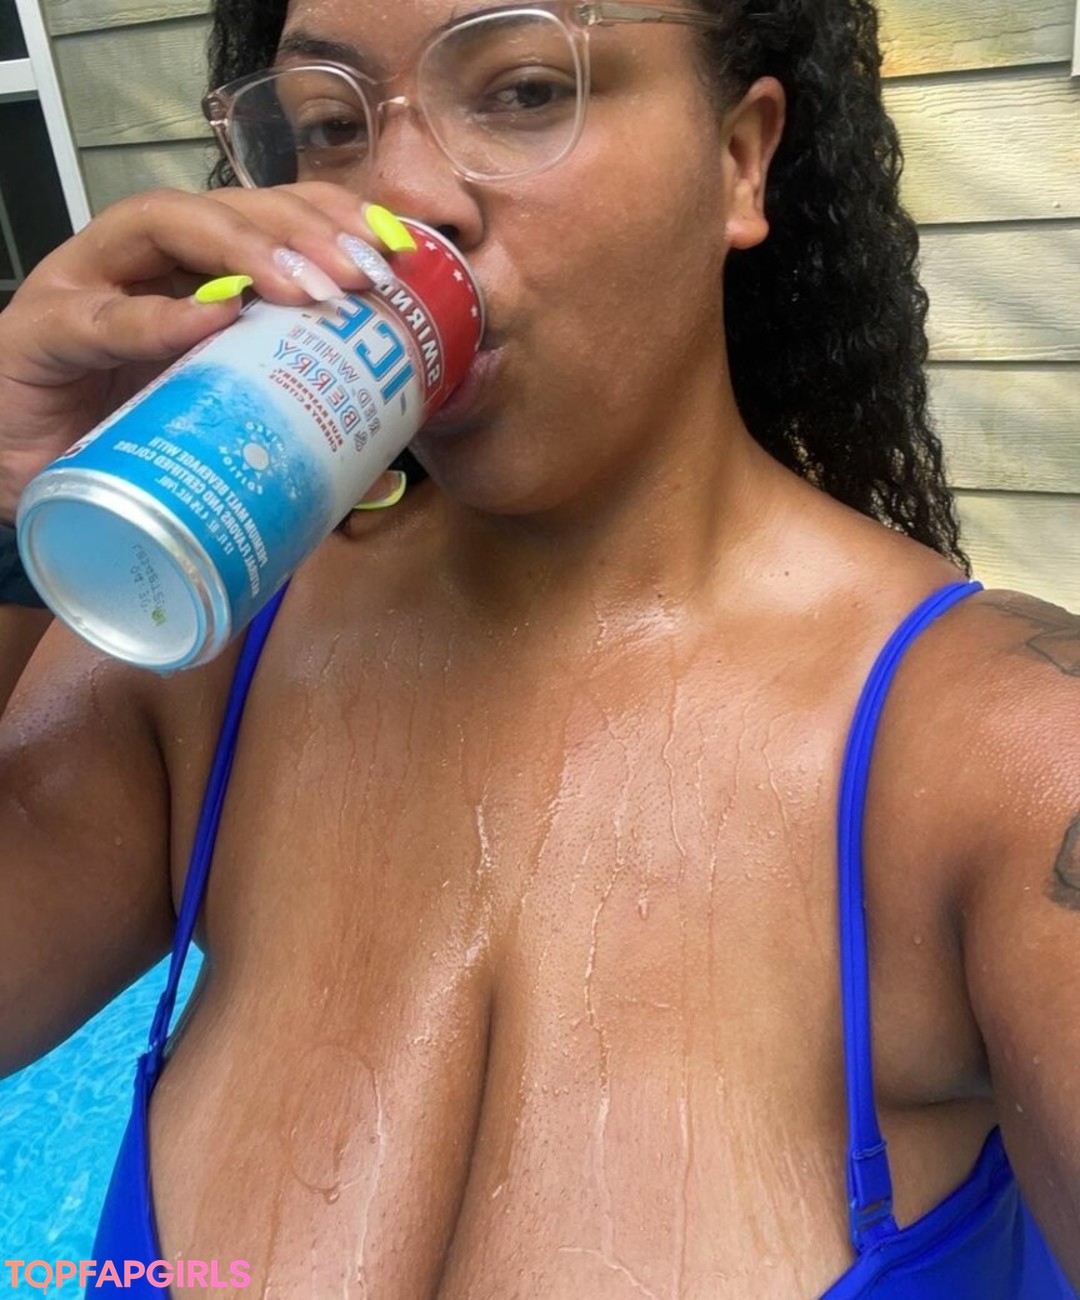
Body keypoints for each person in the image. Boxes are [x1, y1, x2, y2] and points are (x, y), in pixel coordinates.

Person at [1, 0, 1078, 1295]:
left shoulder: (996, 763)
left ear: (740, 159)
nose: (399, 195)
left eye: (522, 91)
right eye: (332, 123)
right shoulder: (206, 657)